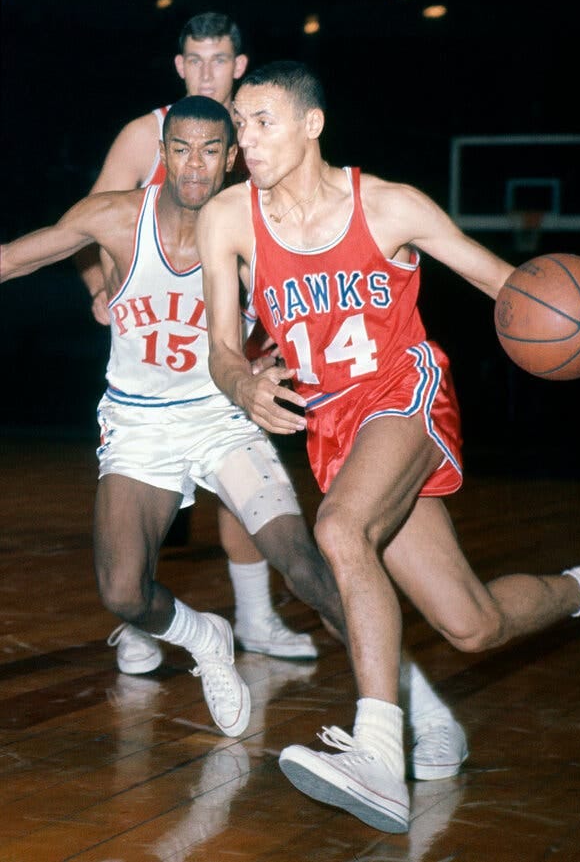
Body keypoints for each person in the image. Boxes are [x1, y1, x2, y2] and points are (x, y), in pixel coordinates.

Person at [1, 97, 468, 773]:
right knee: (123, 592)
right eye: (181, 148)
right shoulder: (114, 218)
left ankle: (424, 712)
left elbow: (336, 295)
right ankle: (203, 636)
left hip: (222, 418)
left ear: (230, 160)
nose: (194, 164)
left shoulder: (255, 227)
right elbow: (14, 259)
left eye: (210, 150)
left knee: (309, 567)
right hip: (138, 422)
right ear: (163, 154)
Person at [198, 61, 580, 832]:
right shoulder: (228, 218)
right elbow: (220, 347)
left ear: (312, 124)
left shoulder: (388, 205)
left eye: (263, 121)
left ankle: (380, 754)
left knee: (340, 528)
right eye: (240, 125)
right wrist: (241, 383)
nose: (246, 139)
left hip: (404, 394)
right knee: (472, 624)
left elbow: (508, 286)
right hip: (332, 429)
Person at [77, 11, 318, 668]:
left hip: (236, 317)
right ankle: (143, 620)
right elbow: (88, 222)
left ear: (239, 66)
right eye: (195, 59)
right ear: (179, 65)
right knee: (145, 485)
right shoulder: (144, 133)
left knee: (241, 465)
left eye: (220, 60)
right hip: (159, 322)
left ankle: (256, 616)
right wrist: (101, 287)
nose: (207, 71)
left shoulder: (260, 131)